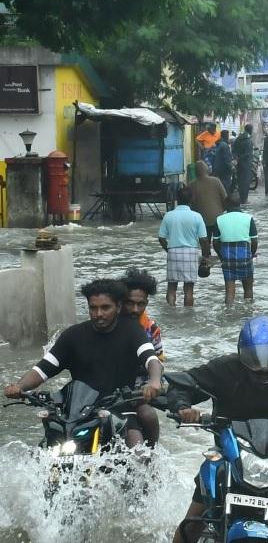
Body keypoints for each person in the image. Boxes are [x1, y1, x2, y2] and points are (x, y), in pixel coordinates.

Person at [167, 316, 268, 543]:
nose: (264, 367)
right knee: (192, 524)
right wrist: (183, 407)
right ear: (242, 352)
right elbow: (183, 384)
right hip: (229, 456)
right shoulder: (224, 368)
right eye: (255, 359)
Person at [3, 279, 163, 448]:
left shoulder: (132, 331)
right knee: (45, 450)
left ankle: (148, 467)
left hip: (119, 409)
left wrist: (154, 381)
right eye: (93, 308)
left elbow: (151, 359)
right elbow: (43, 369)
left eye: (105, 307)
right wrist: (20, 387)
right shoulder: (72, 336)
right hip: (76, 414)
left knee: (136, 450)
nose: (99, 313)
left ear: (118, 307)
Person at [121, 268, 166, 446]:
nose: (135, 309)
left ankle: (151, 456)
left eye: (141, 304)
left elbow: (159, 362)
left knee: (149, 416)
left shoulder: (151, 328)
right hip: (104, 393)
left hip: (135, 394)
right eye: (130, 303)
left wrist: (152, 385)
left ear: (146, 303)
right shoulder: (109, 323)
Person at [158, 187, 209, 307]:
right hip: (191, 253)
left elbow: (161, 238)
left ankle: (171, 312)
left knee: (171, 287)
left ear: (177, 199)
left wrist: (169, 249)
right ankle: (188, 316)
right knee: (189, 290)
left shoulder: (168, 216)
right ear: (191, 199)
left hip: (173, 252)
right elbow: (204, 240)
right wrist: (205, 256)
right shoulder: (197, 216)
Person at [213, 195, 258, 304]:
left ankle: (228, 314)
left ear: (226, 205)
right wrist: (251, 255)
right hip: (244, 257)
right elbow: (254, 241)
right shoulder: (248, 218)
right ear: (239, 204)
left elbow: (215, 243)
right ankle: (248, 312)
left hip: (227, 258)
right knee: (248, 289)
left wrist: (221, 256)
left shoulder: (219, 219)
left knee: (229, 291)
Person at [188, 160, 226, 254]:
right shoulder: (216, 181)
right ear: (207, 170)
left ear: (196, 172)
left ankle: (206, 261)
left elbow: (191, 203)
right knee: (219, 244)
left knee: (205, 245)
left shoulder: (192, 185)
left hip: (202, 220)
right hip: (218, 218)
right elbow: (225, 198)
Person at [232, 123, 254, 204]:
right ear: (250, 130)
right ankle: (244, 199)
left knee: (240, 181)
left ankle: (242, 198)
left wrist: (237, 159)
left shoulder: (238, 138)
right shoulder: (248, 140)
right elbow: (248, 153)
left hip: (239, 163)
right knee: (245, 181)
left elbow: (234, 150)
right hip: (246, 163)